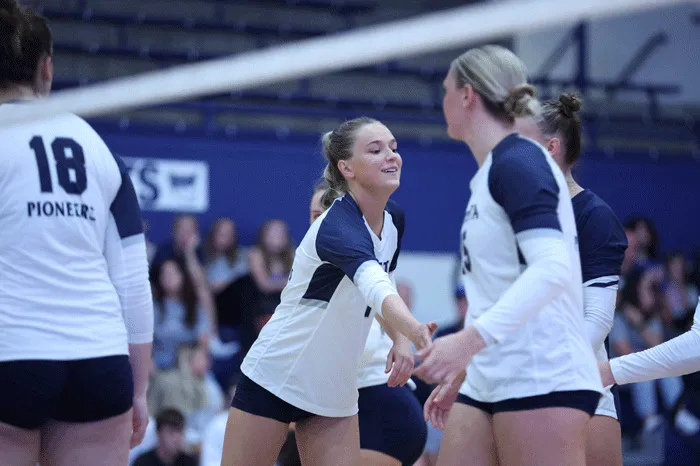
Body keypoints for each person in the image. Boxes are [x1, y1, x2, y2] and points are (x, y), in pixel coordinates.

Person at [414, 45, 602, 466]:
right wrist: (465, 367)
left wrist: (465, 343)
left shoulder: (519, 161)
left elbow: (553, 269)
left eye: (446, 90)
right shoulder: (491, 172)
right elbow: (495, 288)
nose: (441, 101)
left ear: (467, 96)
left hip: (543, 373)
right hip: (488, 376)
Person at [220, 117, 436, 466]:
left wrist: (399, 339)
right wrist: (414, 329)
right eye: (376, 149)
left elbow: (385, 284)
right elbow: (373, 283)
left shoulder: (394, 219)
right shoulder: (336, 224)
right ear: (346, 167)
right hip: (277, 375)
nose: (391, 156)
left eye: (394, 147)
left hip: (335, 386)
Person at [0, 2, 153, 465]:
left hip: (12, 356)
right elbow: (132, 283)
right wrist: (140, 389)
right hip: (99, 362)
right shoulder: (97, 147)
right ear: (47, 68)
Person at [515, 93, 627, 466]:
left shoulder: (595, 217)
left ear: (551, 148)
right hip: (510, 384)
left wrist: (544, 371)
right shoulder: (515, 214)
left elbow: (597, 321)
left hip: (574, 386)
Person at [311, 179, 427, 466]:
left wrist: (404, 340)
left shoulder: (360, 265)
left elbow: (366, 337)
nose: (320, 222)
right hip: (356, 408)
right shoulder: (314, 264)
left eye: (325, 214)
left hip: (379, 409)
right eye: (314, 215)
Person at [599, 297, 700, 386]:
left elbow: (696, 344)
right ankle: (649, 409)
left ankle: (680, 408)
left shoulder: (653, 318)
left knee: (667, 374)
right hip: (623, 370)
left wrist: (611, 371)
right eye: (647, 289)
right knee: (644, 378)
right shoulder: (619, 318)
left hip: (619, 368)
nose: (652, 294)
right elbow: (624, 351)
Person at [133, 409, 197, 466]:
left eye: (180, 432)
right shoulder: (143, 462)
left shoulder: (188, 462)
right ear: (158, 434)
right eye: (171, 432)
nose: (177, 438)